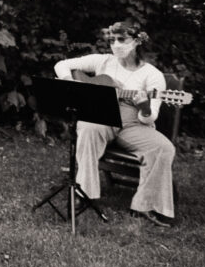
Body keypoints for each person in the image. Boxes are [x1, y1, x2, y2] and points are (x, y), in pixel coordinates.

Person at [53, 20, 175, 227]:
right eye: (112, 40)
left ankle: (145, 205)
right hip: (101, 117)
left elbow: (150, 116)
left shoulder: (152, 75)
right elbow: (61, 65)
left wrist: (144, 106)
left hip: (134, 123)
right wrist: (74, 86)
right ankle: (85, 193)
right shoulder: (103, 61)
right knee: (89, 129)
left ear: (136, 41)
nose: (116, 44)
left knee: (164, 148)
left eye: (121, 40)